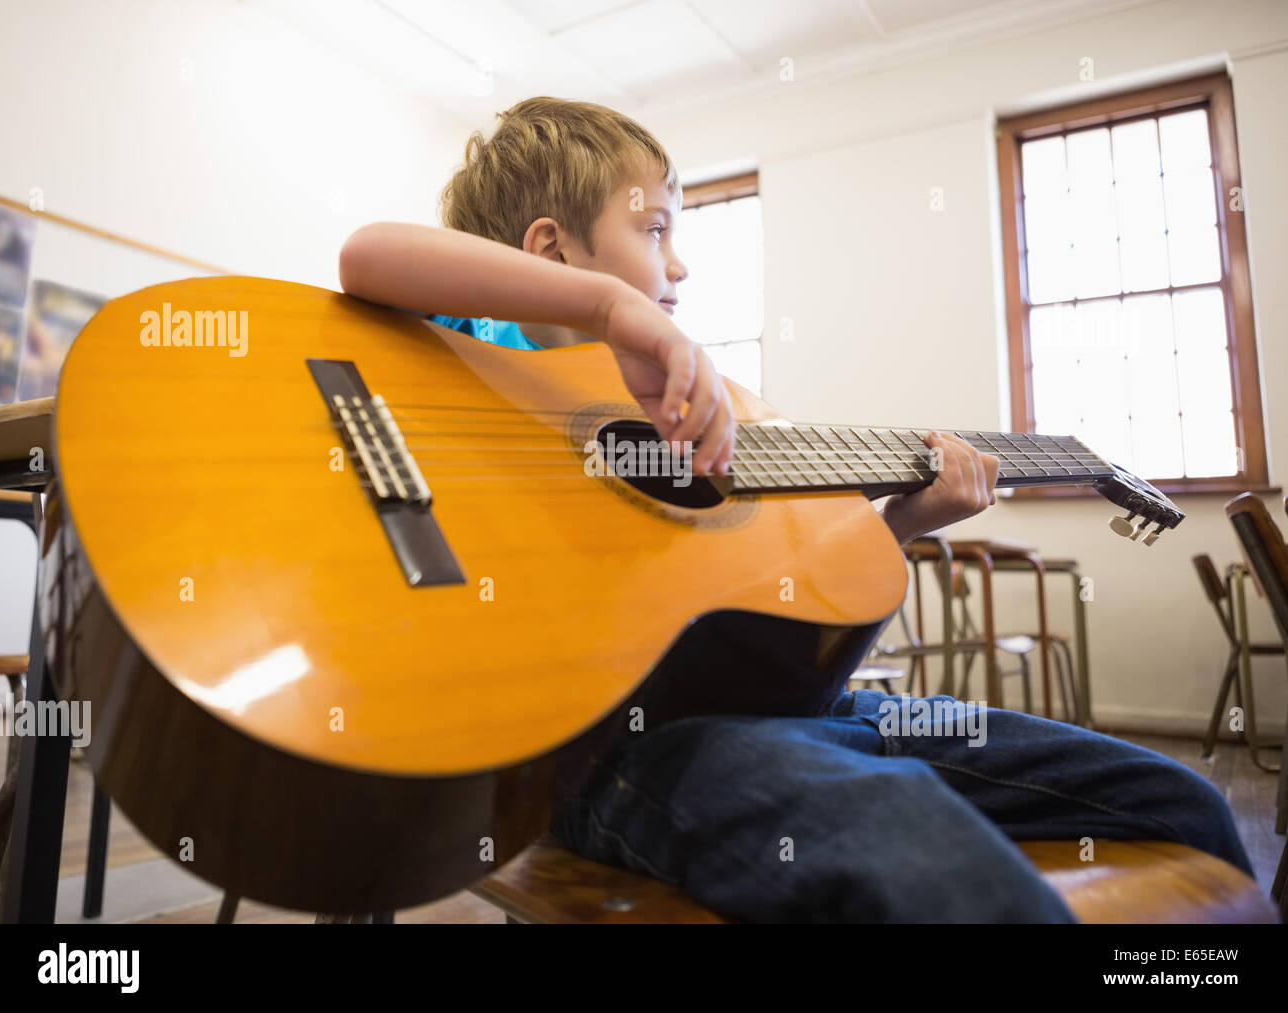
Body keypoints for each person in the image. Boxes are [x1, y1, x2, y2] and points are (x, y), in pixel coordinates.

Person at [338, 96, 1254, 922]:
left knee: (1181, 802)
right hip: (620, 749)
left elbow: (773, 601)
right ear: (549, 250)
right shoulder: (478, 358)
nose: (680, 265)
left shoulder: (704, 406)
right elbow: (368, 253)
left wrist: (899, 523)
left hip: (814, 711)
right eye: (654, 228)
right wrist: (614, 309)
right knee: (922, 852)